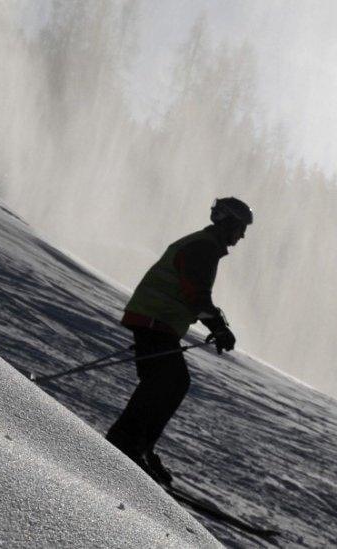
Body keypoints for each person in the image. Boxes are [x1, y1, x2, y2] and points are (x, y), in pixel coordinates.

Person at [106, 196, 253, 486]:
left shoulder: (205, 245)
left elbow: (194, 294)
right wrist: (219, 327)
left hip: (156, 320)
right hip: (154, 319)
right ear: (228, 224)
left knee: (166, 382)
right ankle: (126, 444)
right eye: (241, 228)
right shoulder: (204, 248)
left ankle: (134, 445)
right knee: (169, 381)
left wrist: (217, 324)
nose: (242, 236)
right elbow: (195, 294)